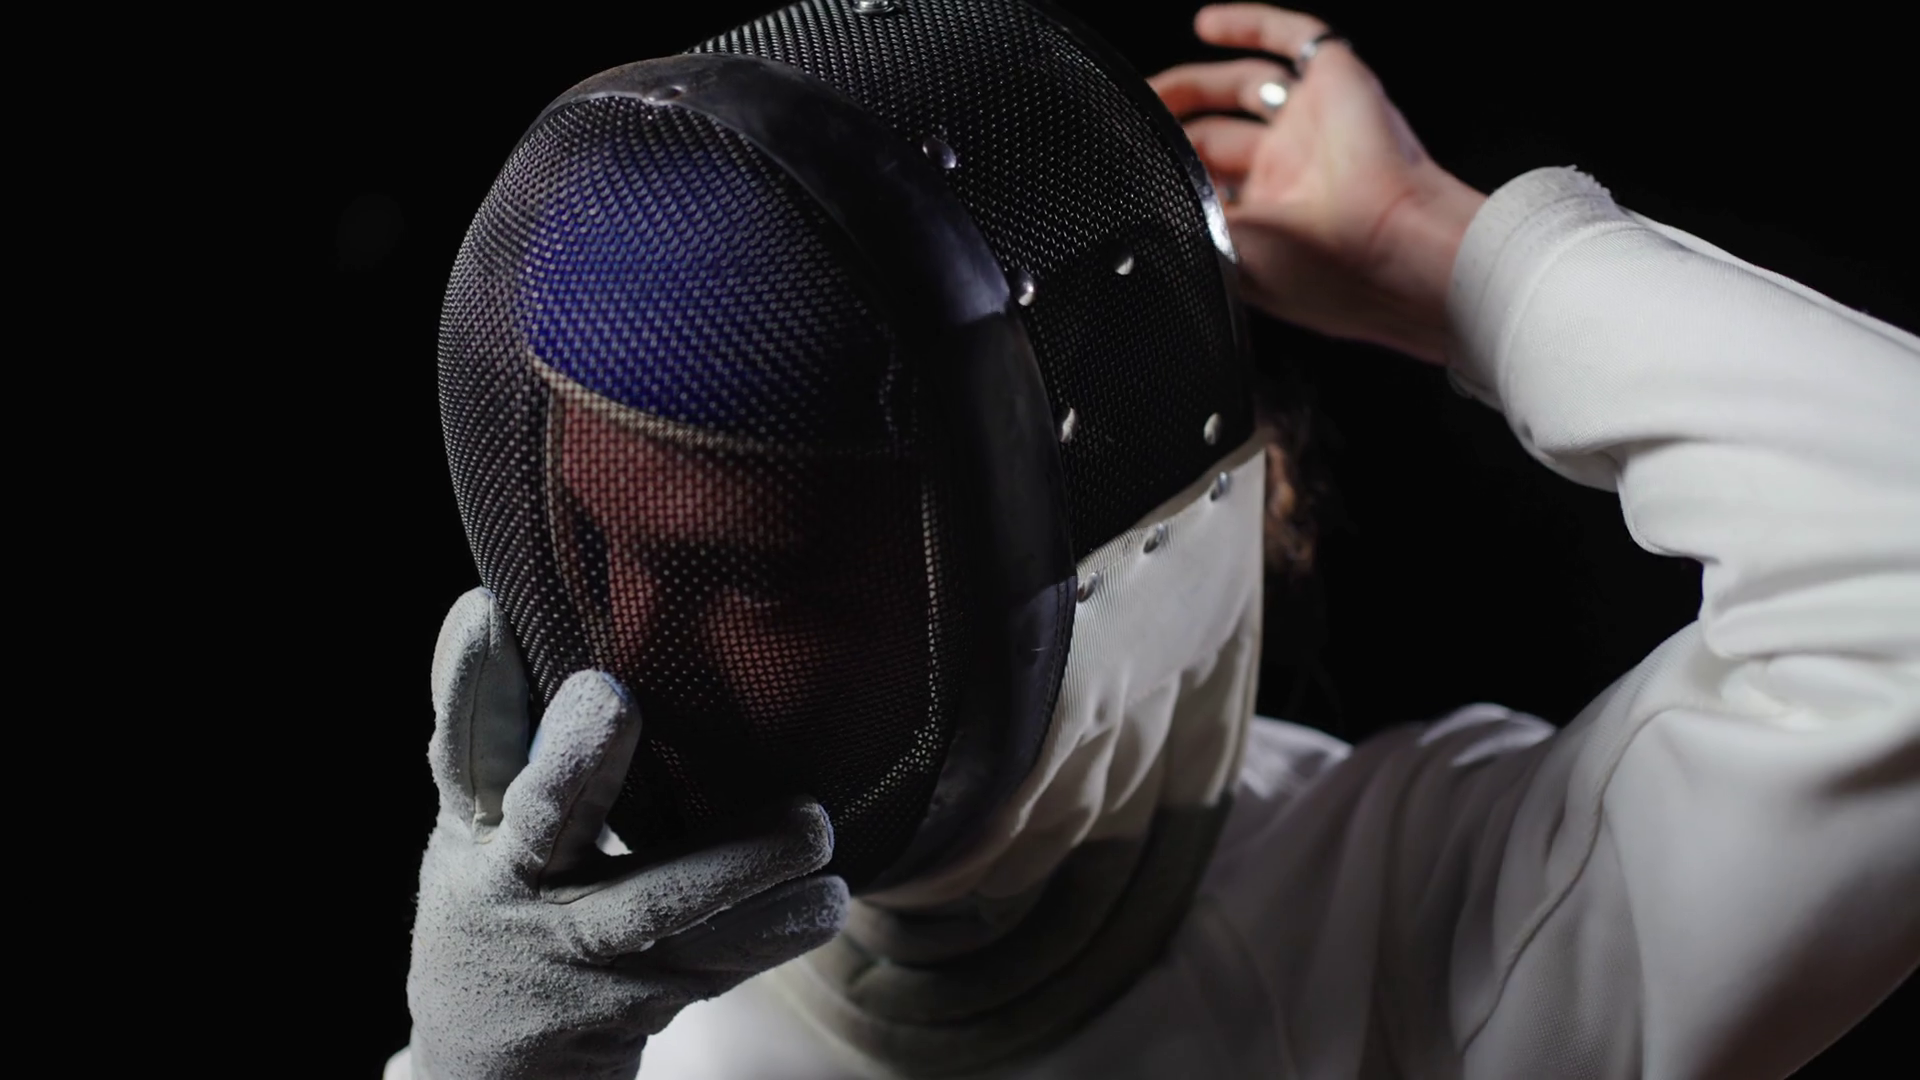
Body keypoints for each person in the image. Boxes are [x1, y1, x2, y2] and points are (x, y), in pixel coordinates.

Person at [390, 3, 1920, 1077]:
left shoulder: (1423, 939)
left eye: (754, 577)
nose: (623, 672)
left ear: (1068, 567)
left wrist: (1451, 255)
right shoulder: (587, 1011)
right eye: (588, 541)